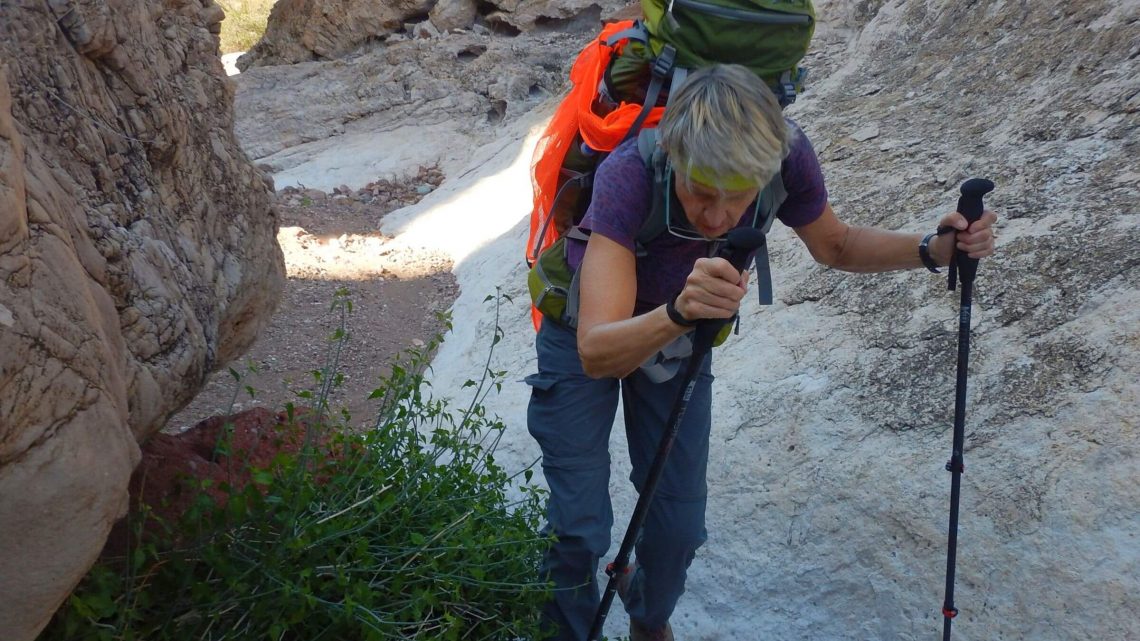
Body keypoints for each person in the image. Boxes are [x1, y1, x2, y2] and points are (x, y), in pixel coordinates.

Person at [524, 64, 997, 641]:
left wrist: (934, 250)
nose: (719, 217)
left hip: (681, 341)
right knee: (578, 527)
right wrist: (678, 310)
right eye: (700, 192)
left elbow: (837, 244)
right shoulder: (629, 173)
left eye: (739, 197)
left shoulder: (787, 157)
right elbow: (598, 352)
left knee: (677, 527)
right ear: (674, 155)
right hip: (588, 334)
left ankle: (648, 620)